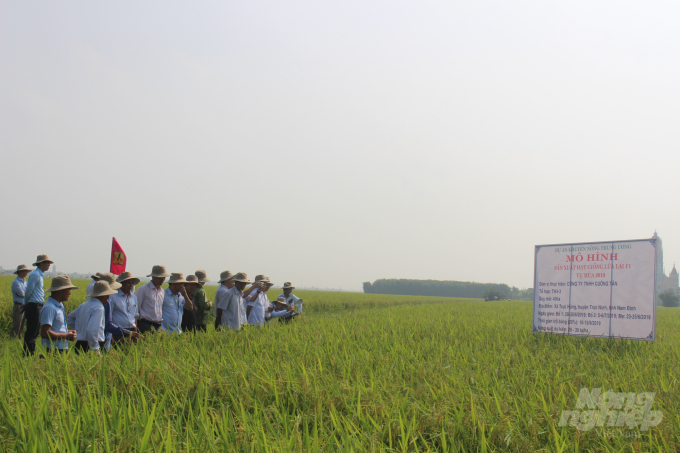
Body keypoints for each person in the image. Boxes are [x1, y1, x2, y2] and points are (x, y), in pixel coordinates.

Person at [68, 281, 117, 354]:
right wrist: (95, 348)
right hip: (91, 345)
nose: (108, 298)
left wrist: (80, 330)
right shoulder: (99, 308)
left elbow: (70, 317)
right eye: (108, 295)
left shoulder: (84, 305)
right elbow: (92, 329)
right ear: (104, 295)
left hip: (80, 344)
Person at [24, 254, 53, 355]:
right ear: (41, 263)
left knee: (35, 331)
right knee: (32, 332)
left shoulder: (40, 275)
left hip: (38, 305)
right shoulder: (35, 275)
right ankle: (28, 355)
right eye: (47, 263)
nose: (49, 265)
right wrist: (25, 303)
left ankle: (30, 353)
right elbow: (28, 291)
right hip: (33, 306)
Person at [40, 275, 77, 354]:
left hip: (61, 348)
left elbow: (56, 329)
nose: (70, 293)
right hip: (52, 350)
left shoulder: (59, 305)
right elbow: (45, 333)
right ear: (61, 291)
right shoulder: (50, 307)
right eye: (68, 290)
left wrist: (68, 332)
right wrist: (66, 336)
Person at [107, 272, 141, 346]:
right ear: (121, 283)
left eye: (132, 283)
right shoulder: (113, 297)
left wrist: (135, 330)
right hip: (118, 331)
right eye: (128, 283)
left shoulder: (134, 297)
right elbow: (108, 316)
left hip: (131, 330)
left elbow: (135, 316)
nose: (131, 285)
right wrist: (110, 336)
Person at [136, 265, 170, 333]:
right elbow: (136, 309)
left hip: (158, 325)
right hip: (146, 324)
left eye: (164, 277)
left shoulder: (162, 291)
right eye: (160, 277)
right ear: (154, 277)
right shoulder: (143, 289)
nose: (162, 280)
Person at [10, 264, 31, 339]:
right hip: (18, 305)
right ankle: (13, 339)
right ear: (20, 272)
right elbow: (22, 294)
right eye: (25, 271)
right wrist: (26, 291)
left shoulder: (25, 282)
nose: (26, 272)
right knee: (17, 325)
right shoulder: (16, 282)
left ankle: (19, 339)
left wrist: (25, 291)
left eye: (27, 271)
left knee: (22, 324)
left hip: (24, 305)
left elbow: (28, 292)